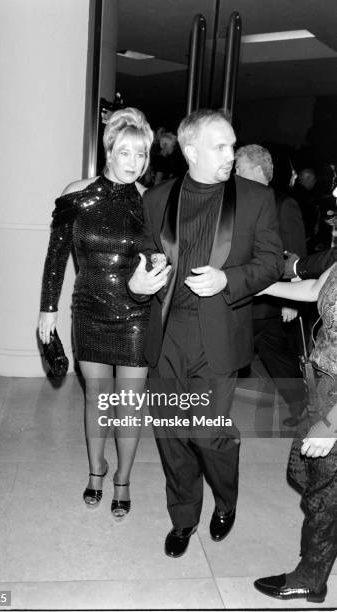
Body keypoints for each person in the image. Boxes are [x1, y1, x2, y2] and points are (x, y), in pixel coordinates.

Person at [129, 108, 284, 557]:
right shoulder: (156, 199)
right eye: (221, 146)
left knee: (208, 432)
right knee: (172, 434)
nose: (230, 155)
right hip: (166, 334)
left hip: (217, 334)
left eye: (233, 145)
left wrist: (228, 280)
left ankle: (227, 499)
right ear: (190, 149)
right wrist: (138, 283)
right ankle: (183, 518)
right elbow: (143, 259)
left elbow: (272, 261)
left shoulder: (255, 199)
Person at [39, 107, 154, 520]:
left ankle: (122, 478)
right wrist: (47, 310)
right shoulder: (77, 194)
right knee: (97, 400)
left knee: (129, 402)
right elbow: (56, 257)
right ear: (109, 150)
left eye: (141, 155)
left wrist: (155, 274)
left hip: (136, 315)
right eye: (126, 152)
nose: (133, 163)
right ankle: (96, 470)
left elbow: (159, 260)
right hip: (88, 309)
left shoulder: (148, 203)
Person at [254, 262, 337, 604]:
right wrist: (261, 286)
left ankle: (311, 579)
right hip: (322, 386)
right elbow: (316, 289)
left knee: (323, 496)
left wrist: (332, 424)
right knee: (301, 470)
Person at [235, 144, 307, 427]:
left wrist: (291, 300)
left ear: (254, 169)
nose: (235, 173)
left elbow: (296, 254)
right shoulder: (238, 201)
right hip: (245, 294)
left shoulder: (282, 204)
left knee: (233, 354)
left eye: (238, 168)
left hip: (269, 300)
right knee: (276, 356)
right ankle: (302, 407)